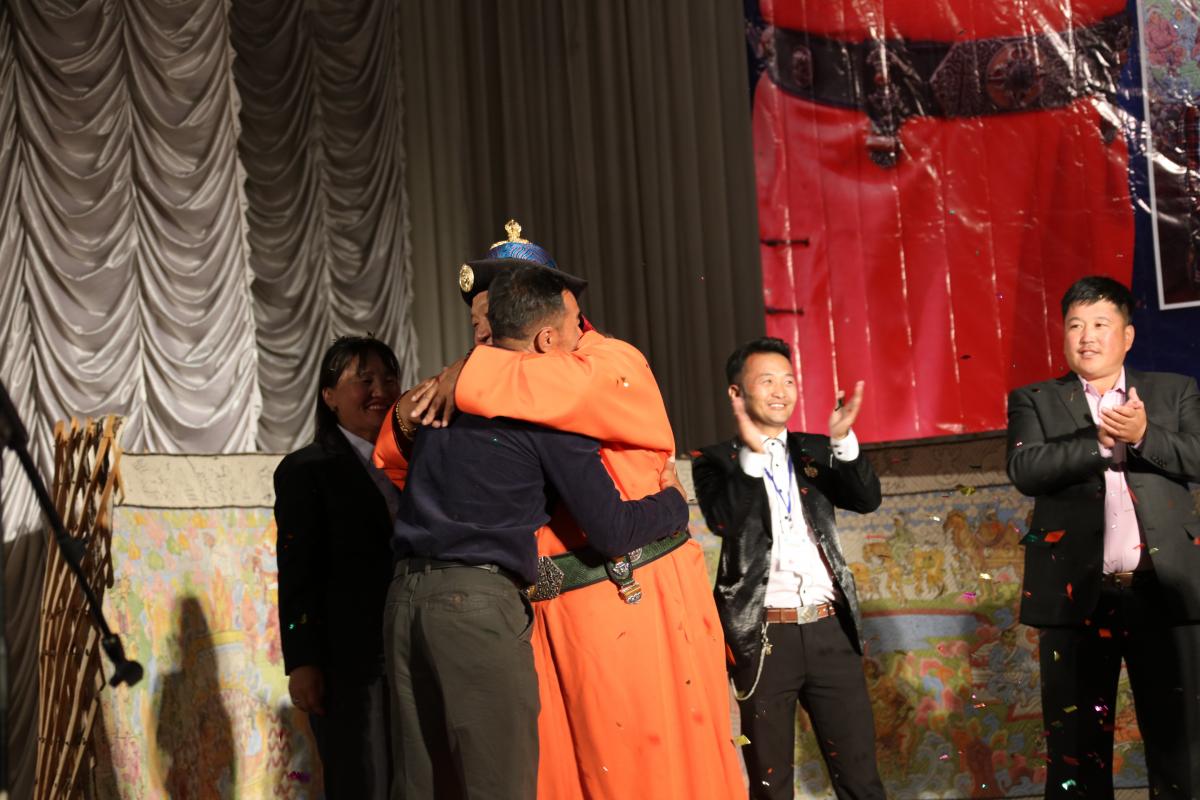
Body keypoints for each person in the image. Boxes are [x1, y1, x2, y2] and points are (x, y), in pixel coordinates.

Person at [377, 225, 746, 799]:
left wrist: (468, 374)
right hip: (527, 611)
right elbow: (396, 450)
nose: (483, 334)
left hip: (625, 601)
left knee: (638, 773)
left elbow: (559, 392)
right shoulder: (483, 387)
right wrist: (443, 390)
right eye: (477, 323)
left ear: (548, 320)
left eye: (493, 317)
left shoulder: (597, 361)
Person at [1006, 275, 1200, 799]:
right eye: (1075, 325)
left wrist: (1144, 435)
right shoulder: (1036, 400)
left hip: (1163, 593)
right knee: (1076, 751)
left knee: (1181, 747)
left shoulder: (1173, 390)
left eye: (1099, 324)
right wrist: (1097, 441)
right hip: (1076, 599)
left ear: (1127, 335)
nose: (1086, 336)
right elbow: (1025, 468)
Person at [692, 336, 886, 800]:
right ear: (737, 393)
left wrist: (842, 440)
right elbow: (724, 520)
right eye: (767, 381)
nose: (781, 391)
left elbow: (866, 499)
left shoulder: (815, 450)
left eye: (789, 380)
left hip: (829, 629)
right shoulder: (715, 461)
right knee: (771, 784)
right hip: (763, 637)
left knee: (861, 779)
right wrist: (752, 457)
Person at [273, 336, 404, 799]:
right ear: (329, 396)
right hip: (349, 662)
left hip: (414, 650)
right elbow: (297, 571)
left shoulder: (417, 460)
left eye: (388, 378)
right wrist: (303, 661)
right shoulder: (305, 469)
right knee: (363, 781)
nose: (380, 390)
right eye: (363, 379)